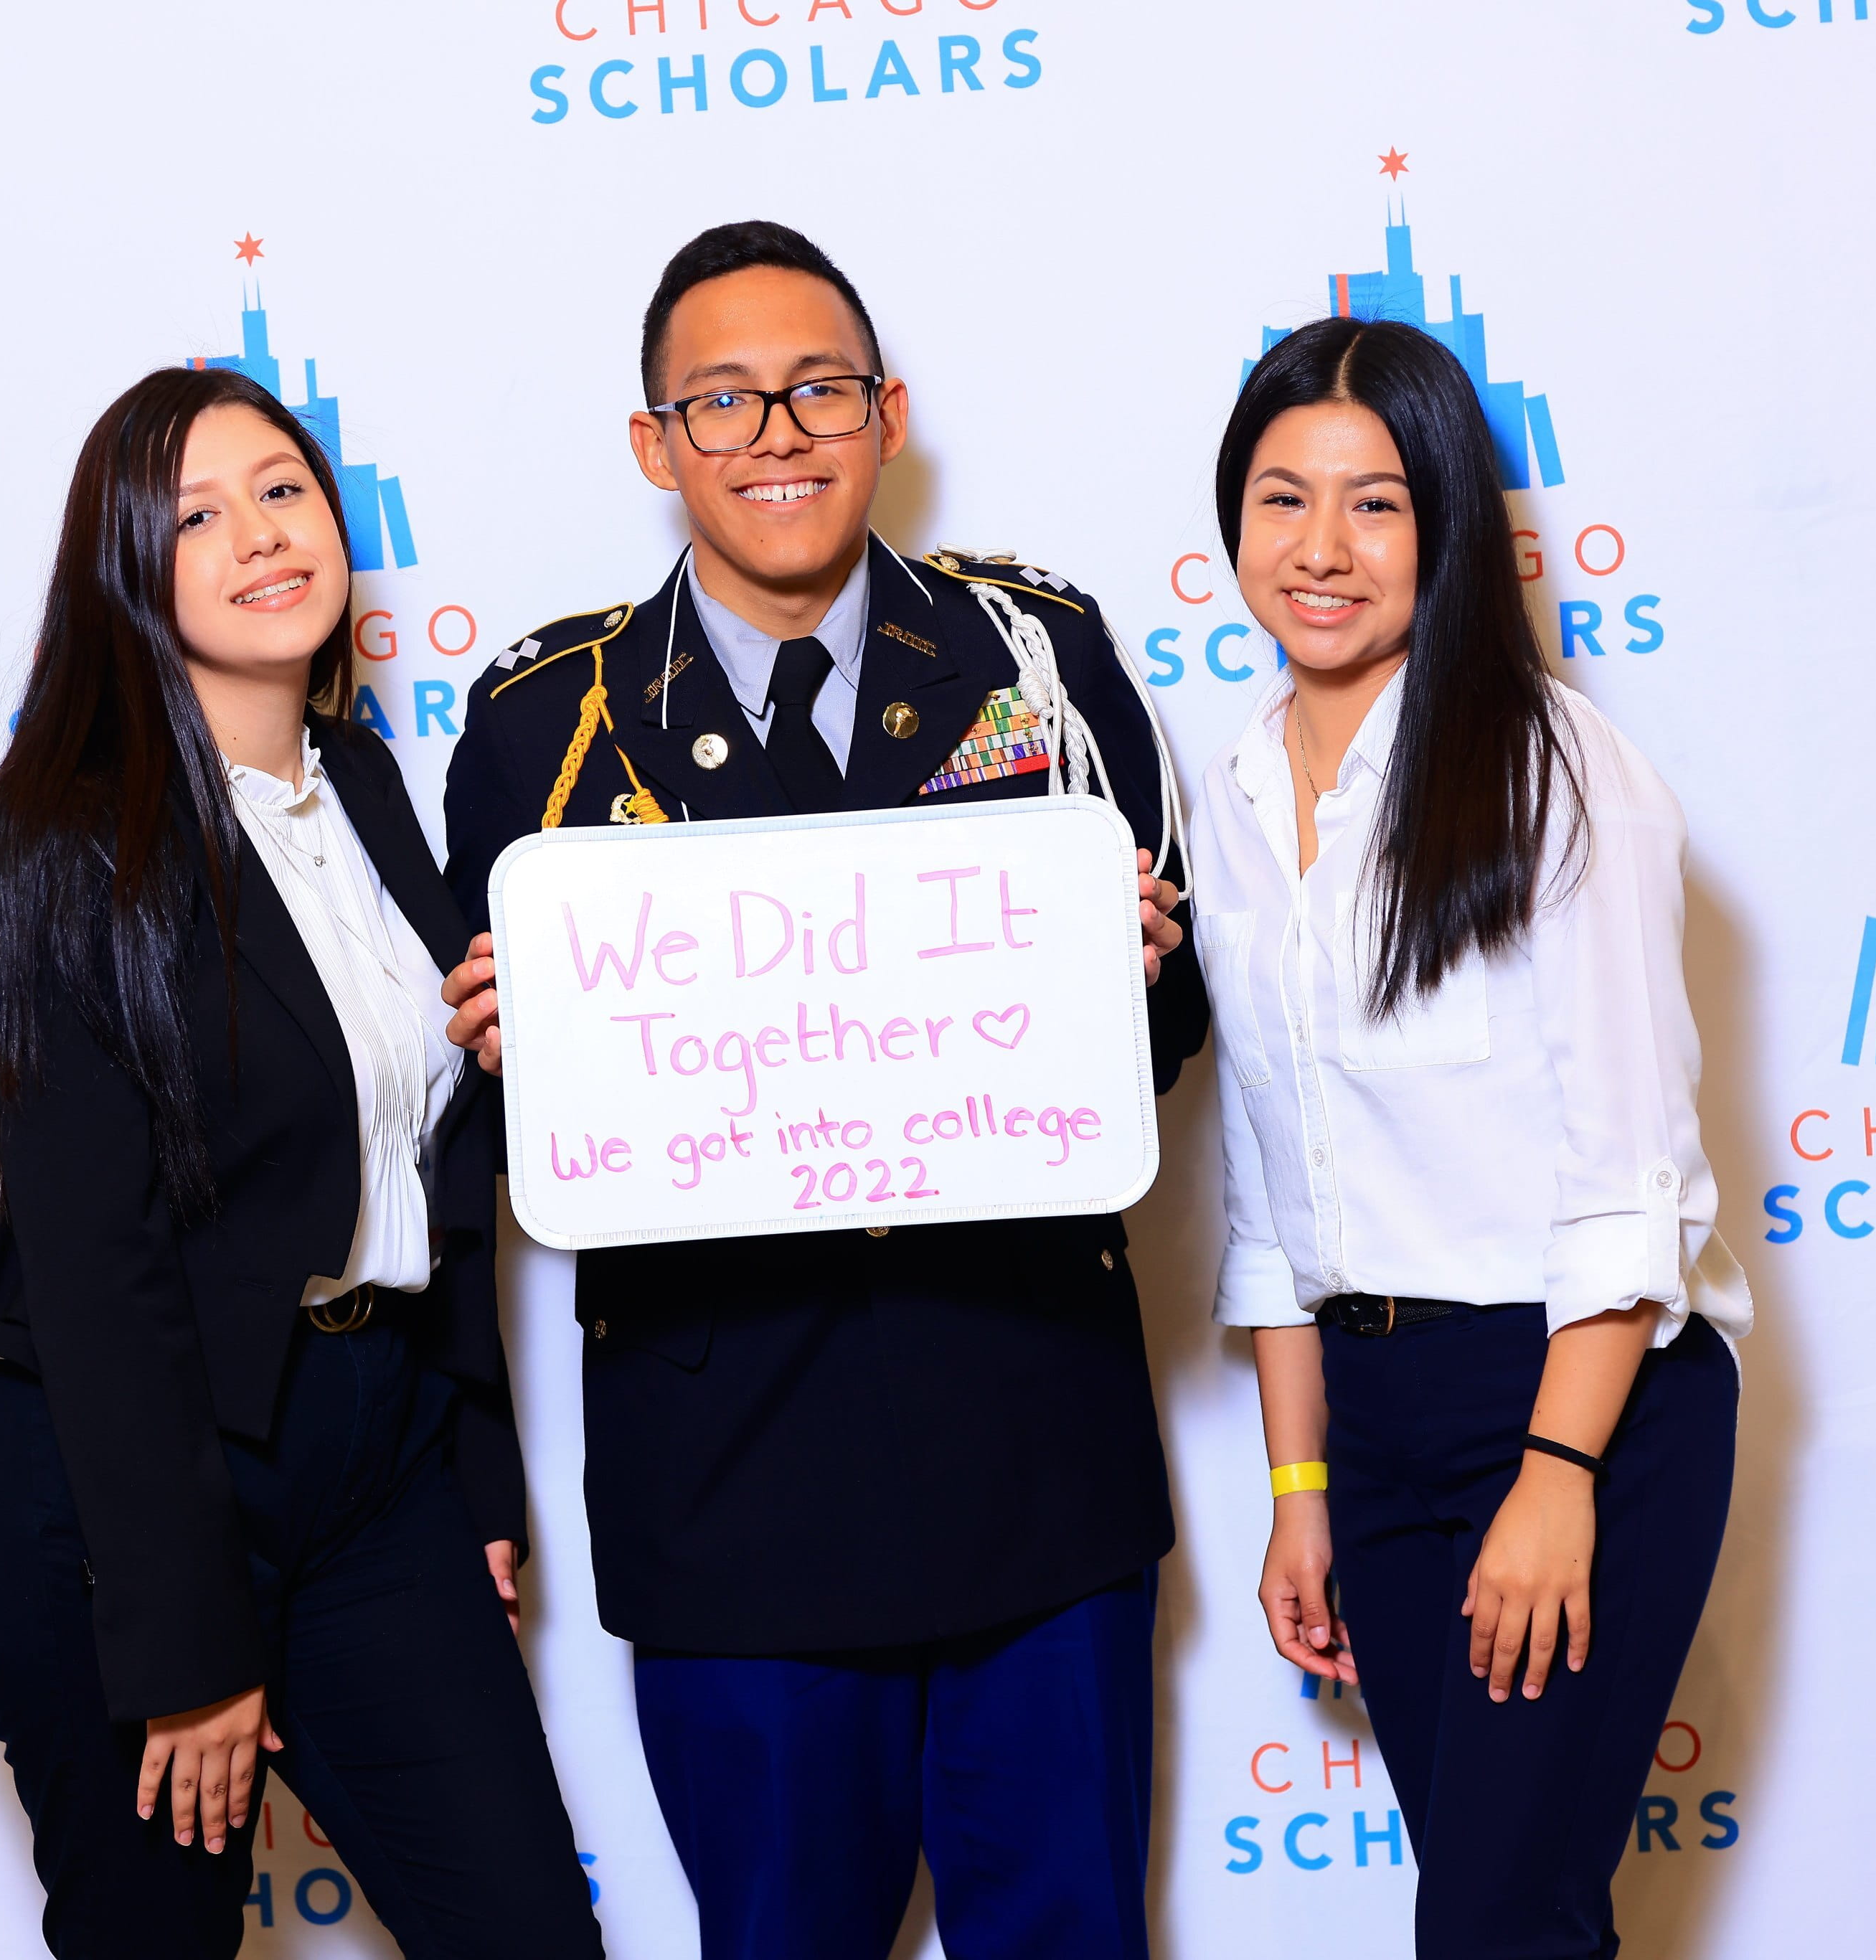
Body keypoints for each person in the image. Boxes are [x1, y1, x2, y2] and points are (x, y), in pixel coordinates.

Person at [436, 220, 1206, 1960]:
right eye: (721, 401)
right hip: (731, 1489)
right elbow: (500, 1138)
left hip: (1031, 1449)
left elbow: (1167, 1051)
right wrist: (504, 1051)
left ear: (885, 414)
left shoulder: (1044, 661)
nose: (775, 431)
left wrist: (1135, 982)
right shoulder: (541, 724)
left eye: (817, 389)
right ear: (654, 446)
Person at [0, 367, 604, 1960]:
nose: (259, 537)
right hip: (119, 1501)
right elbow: (99, 1275)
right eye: (197, 516)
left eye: (283, 490)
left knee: (526, 1933)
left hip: (368, 1468)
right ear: (126, 573)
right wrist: (180, 1641)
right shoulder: (59, 836)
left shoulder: (362, 789)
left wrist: (470, 1474)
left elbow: (422, 1178)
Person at [1192, 314, 1750, 1957]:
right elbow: (1273, 1188)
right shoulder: (1220, 796)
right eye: (1280, 497)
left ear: (1443, 525)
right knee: (1517, 1915)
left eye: (1373, 502)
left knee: (1493, 1927)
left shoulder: (1553, 767)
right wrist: (1301, 1484)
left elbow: (1627, 1169)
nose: (1319, 547)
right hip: (1370, 1417)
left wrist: (1554, 1472)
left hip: (1581, 1396)